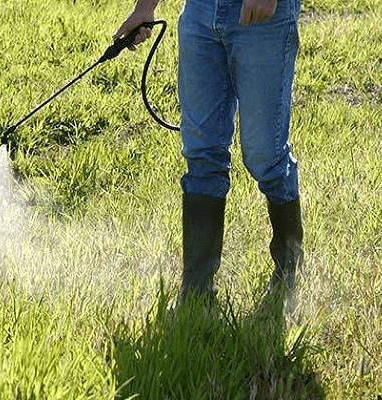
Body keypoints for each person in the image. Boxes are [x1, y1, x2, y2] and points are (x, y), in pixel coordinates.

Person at [113, 0, 303, 313]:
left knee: (264, 155)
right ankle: (196, 294)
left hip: (262, 17)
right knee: (202, 153)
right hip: (200, 14)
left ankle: (289, 274)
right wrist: (145, 7)